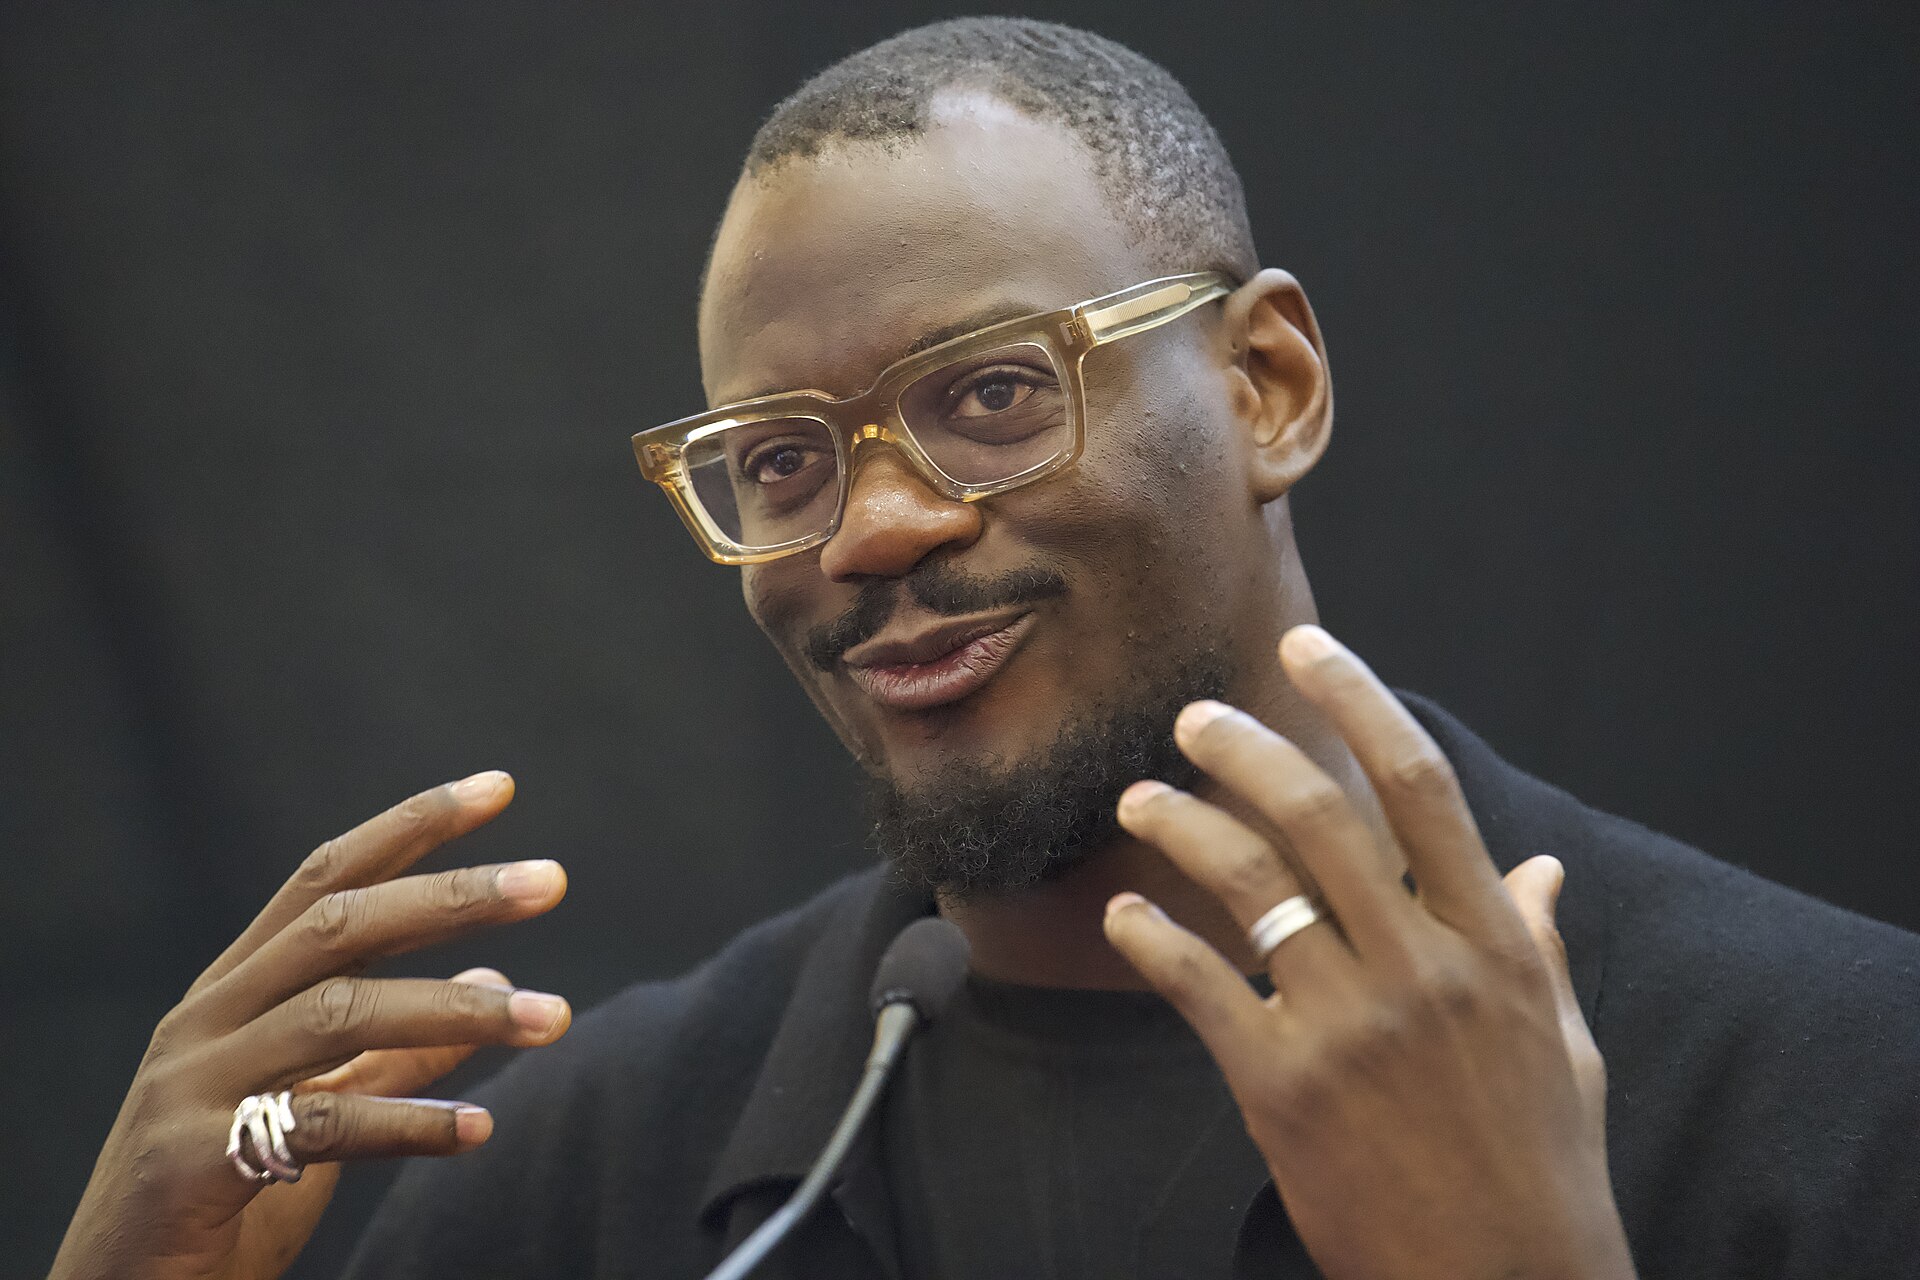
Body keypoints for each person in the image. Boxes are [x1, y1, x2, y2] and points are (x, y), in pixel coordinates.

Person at [50, 17, 1919, 1280]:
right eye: (778, 463)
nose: (873, 529)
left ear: (1266, 386)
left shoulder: (1832, 1093)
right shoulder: (594, 1172)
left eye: (995, 395)